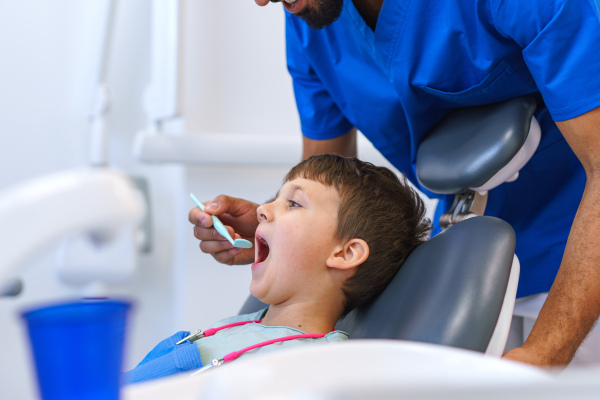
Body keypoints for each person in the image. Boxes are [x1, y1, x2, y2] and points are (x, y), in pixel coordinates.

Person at [190, 0, 600, 368]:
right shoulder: (311, 16)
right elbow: (325, 187)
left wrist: (546, 352)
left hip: (581, 255)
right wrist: (276, 229)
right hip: (458, 258)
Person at [126, 154, 431, 383]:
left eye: (294, 203)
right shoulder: (241, 325)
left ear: (345, 253)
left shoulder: (320, 363)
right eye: (274, 199)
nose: (261, 209)